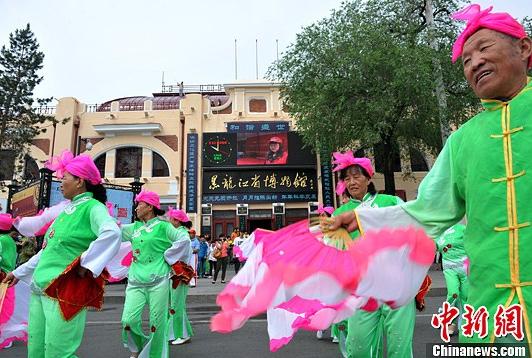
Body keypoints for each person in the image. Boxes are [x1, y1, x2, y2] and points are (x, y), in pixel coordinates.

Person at [331, 4, 532, 344]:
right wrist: (360, 221)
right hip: (491, 316)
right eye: (466, 61)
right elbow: (427, 211)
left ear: (524, 48)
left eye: (484, 49)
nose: (475, 63)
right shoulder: (462, 140)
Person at [3, 150, 122, 357]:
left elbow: (112, 232)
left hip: (64, 289)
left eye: (65, 177)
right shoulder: (65, 211)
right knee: (36, 351)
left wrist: (86, 262)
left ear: (80, 181)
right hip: (40, 288)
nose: (60, 183)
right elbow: (48, 251)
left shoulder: (93, 207)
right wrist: (19, 272)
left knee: (58, 353)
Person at [329, 153, 416, 357]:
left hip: (397, 284)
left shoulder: (391, 201)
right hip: (362, 289)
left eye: (356, 176)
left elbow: (411, 229)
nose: (351, 182)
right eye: (347, 178)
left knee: (399, 347)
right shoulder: (339, 214)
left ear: (369, 178)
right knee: (358, 347)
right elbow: (334, 252)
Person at [120, 190, 190, 358]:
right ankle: (137, 347)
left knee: (156, 323)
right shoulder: (134, 228)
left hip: (158, 281)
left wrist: (168, 257)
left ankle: (155, 354)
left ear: (150, 207)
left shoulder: (164, 226)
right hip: (135, 281)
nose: (136, 208)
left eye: (139, 204)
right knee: (128, 320)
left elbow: (183, 239)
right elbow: (112, 233)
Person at [166, 208, 195, 346]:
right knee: (175, 305)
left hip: (179, 274)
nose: (169, 221)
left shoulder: (182, 237)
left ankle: (181, 334)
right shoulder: (180, 234)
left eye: (170, 219)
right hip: (176, 274)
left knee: (176, 305)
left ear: (177, 221)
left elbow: (169, 254)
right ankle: (176, 333)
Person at [436, 223, 468, 336]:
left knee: (465, 296)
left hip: (465, 269)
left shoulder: (462, 229)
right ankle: (450, 321)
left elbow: (473, 244)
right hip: (450, 269)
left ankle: (465, 324)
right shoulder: (438, 231)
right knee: (453, 293)